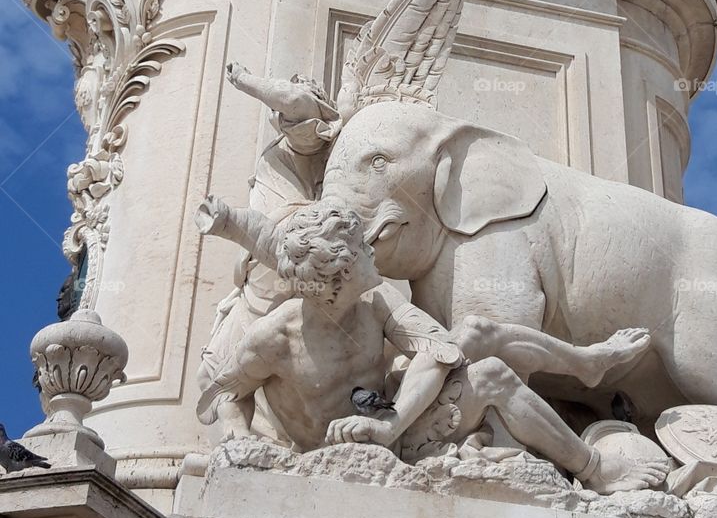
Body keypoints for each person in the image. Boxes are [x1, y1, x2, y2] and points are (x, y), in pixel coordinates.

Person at [196, 197, 667, 494]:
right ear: (337, 274)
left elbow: (438, 349)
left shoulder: (374, 303)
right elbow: (221, 394)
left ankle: (591, 431)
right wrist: (242, 448)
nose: (372, 252)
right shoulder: (273, 339)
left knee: (480, 343)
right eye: (362, 249)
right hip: (341, 451)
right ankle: (593, 449)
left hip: (393, 427)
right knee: (492, 373)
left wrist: (392, 422)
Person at [196, 63, 342, 438]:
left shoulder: (312, 134)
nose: (280, 112)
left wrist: (244, 80)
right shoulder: (285, 144)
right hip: (264, 264)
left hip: (291, 252)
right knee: (215, 365)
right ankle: (241, 430)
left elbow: (296, 100)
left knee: (243, 355)